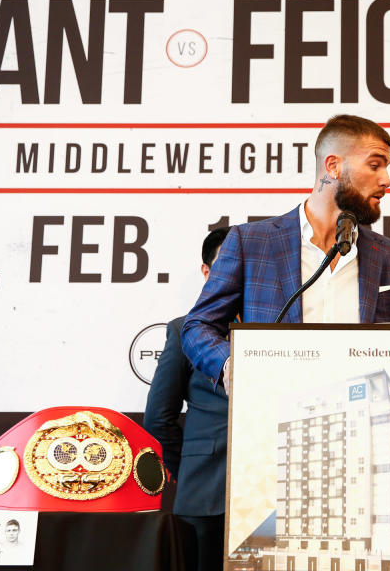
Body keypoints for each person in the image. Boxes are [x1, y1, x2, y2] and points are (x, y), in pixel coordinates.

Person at [182, 114, 390, 393]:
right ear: (333, 166)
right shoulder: (250, 242)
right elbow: (198, 326)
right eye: (375, 165)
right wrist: (230, 363)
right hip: (274, 420)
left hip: (366, 423)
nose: (387, 180)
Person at [143, 227, 231, 571]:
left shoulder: (275, 330)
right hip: (203, 494)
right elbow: (158, 419)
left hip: (268, 497)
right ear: (206, 272)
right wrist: (190, 467)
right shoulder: (184, 330)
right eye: (227, 264)